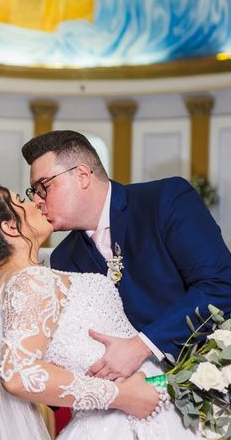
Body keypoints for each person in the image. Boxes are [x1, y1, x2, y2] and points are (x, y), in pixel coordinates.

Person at [0, 186, 197, 440]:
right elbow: (18, 375)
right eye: (21, 201)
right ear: (9, 227)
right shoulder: (31, 281)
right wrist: (122, 395)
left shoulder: (17, 279)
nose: (36, 203)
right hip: (126, 416)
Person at [21, 130, 231, 381]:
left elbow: (221, 285)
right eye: (33, 191)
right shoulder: (64, 257)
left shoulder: (165, 200)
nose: (36, 201)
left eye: (43, 187)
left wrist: (142, 346)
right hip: (124, 399)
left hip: (207, 377)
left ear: (82, 176)